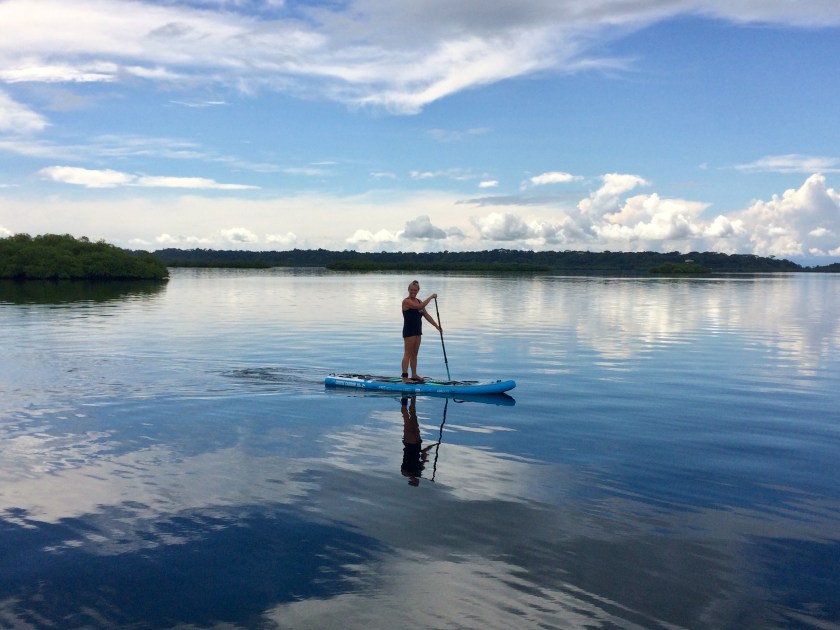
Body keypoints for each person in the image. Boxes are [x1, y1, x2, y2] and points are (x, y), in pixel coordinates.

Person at [401, 279, 441, 383]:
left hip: (418, 331)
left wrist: (437, 326)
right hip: (409, 331)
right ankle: (405, 377)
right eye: (411, 290)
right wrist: (431, 297)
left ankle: (414, 375)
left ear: (418, 291)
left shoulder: (419, 301)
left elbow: (426, 315)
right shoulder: (406, 301)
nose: (413, 292)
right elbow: (420, 307)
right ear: (408, 290)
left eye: (415, 290)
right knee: (407, 353)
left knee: (414, 354)